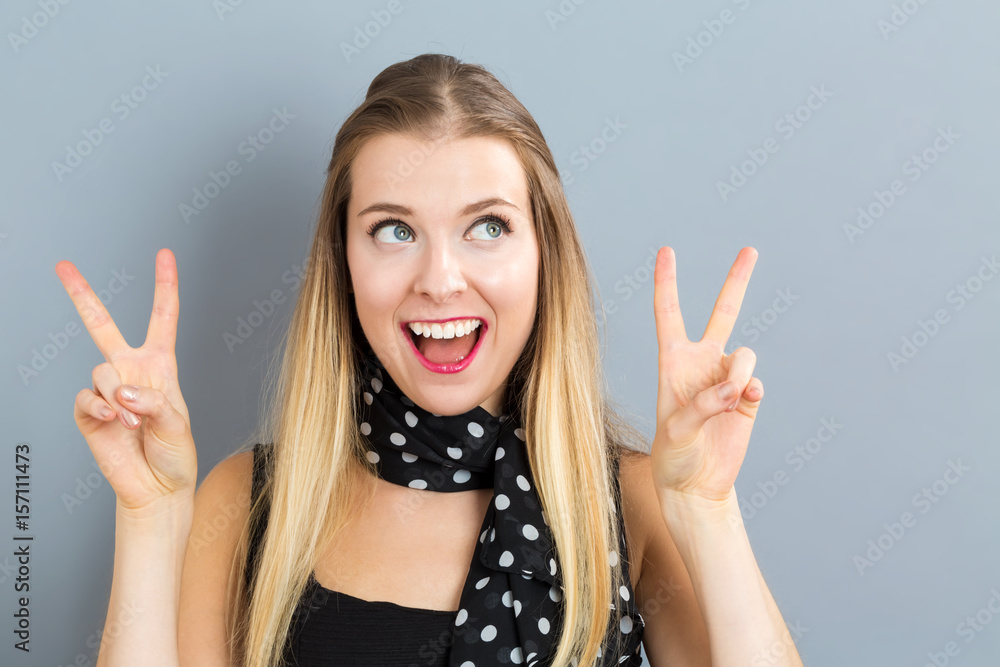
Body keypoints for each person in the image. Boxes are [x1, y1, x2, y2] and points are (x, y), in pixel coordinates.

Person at [55, 53, 804, 666]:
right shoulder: (248, 502)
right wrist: (150, 517)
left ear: (543, 255)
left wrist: (708, 513)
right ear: (342, 261)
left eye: (487, 226)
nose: (440, 278)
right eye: (393, 230)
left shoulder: (633, 503)